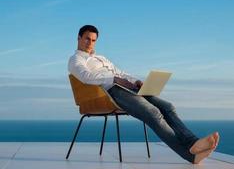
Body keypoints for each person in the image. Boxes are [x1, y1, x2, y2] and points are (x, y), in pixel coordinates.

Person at [68, 25, 220, 164]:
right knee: (153, 113)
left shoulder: (101, 58)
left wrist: (136, 81)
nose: (90, 43)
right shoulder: (75, 60)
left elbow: (120, 73)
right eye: (87, 38)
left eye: (93, 40)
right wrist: (114, 79)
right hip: (111, 92)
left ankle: (193, 142)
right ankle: (189, 154)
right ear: (79, 38)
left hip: (127, 88)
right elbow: (86, 77)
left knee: (168, 107)